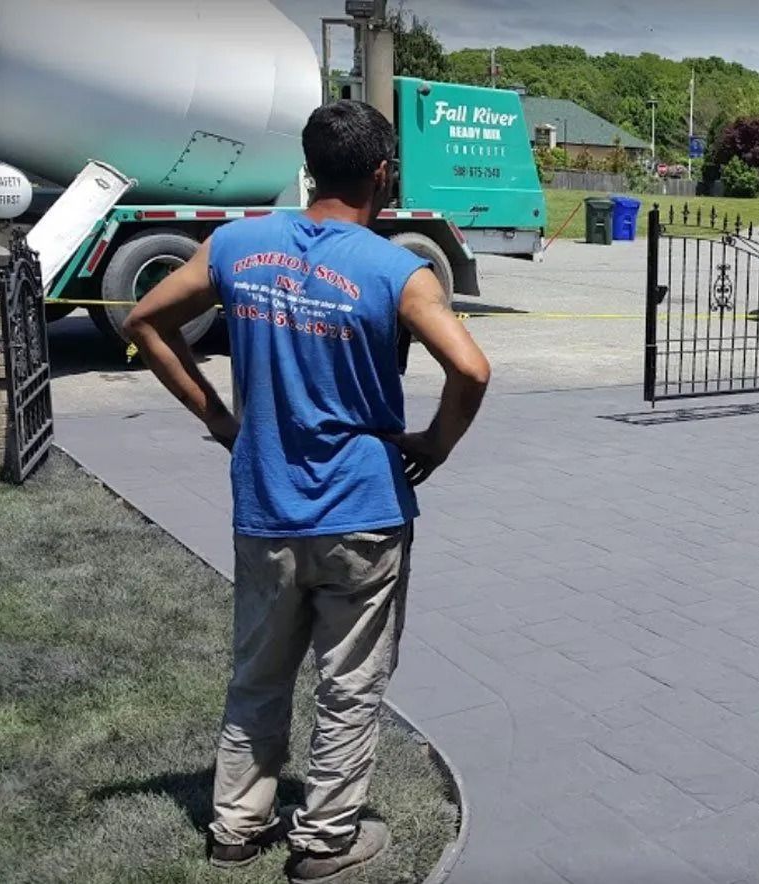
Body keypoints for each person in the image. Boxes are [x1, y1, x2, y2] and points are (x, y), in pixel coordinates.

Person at [124, 99, 491, 882]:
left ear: (310, 167)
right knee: (349, 683)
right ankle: (325, 842)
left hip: (265, 507)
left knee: (258, 672)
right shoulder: (398, 270)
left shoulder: (238, 246)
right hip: (363, 511)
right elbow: (471, 368)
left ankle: (234, 828)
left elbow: (146, 321)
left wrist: (224, 421)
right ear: (382, 175)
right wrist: (435, 443)